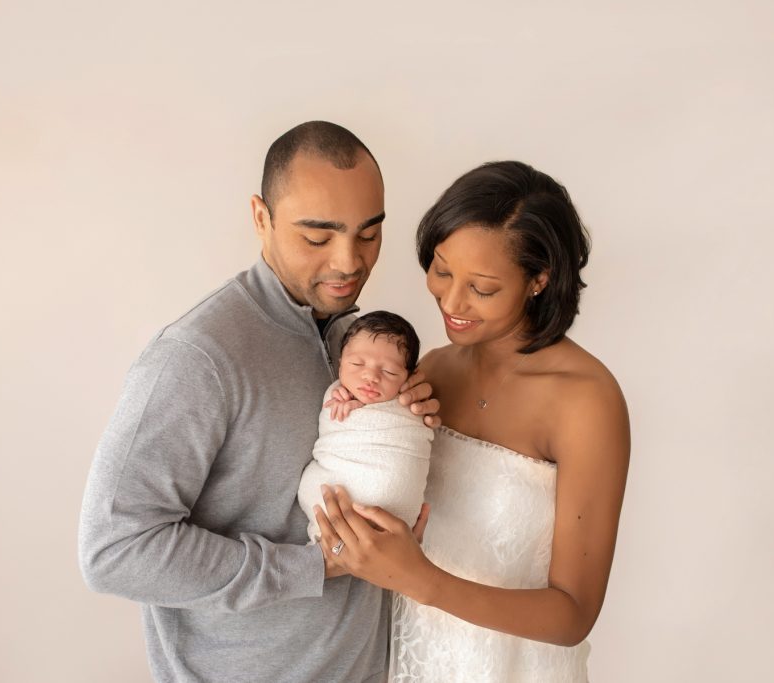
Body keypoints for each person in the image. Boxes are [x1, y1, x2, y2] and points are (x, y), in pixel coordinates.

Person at [77, 121, 439, 683]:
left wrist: (408, 410)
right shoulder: (197, 357)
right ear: (260, 218)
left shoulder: (359, 340)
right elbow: (116, 550)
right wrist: (315, 564)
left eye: (369, 234)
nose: (348, 262)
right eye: (317, 237)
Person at [315, 160, 631, 682]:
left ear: (539, 280)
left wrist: (421, 580)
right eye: (441, 270)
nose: (451, 301)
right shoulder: (429, 372)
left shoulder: (586, 402)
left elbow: (573, 613)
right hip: (406, 662)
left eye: (482, 288)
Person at [298, 310, 434, 543]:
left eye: (389, 371)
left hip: (390, 498)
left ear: (409, 378)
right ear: (340, 365)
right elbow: (332, 417)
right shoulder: (337, 391)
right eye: (357, 364)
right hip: (332, 485)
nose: (370, 376)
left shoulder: (410, 404)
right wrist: (339, 396)